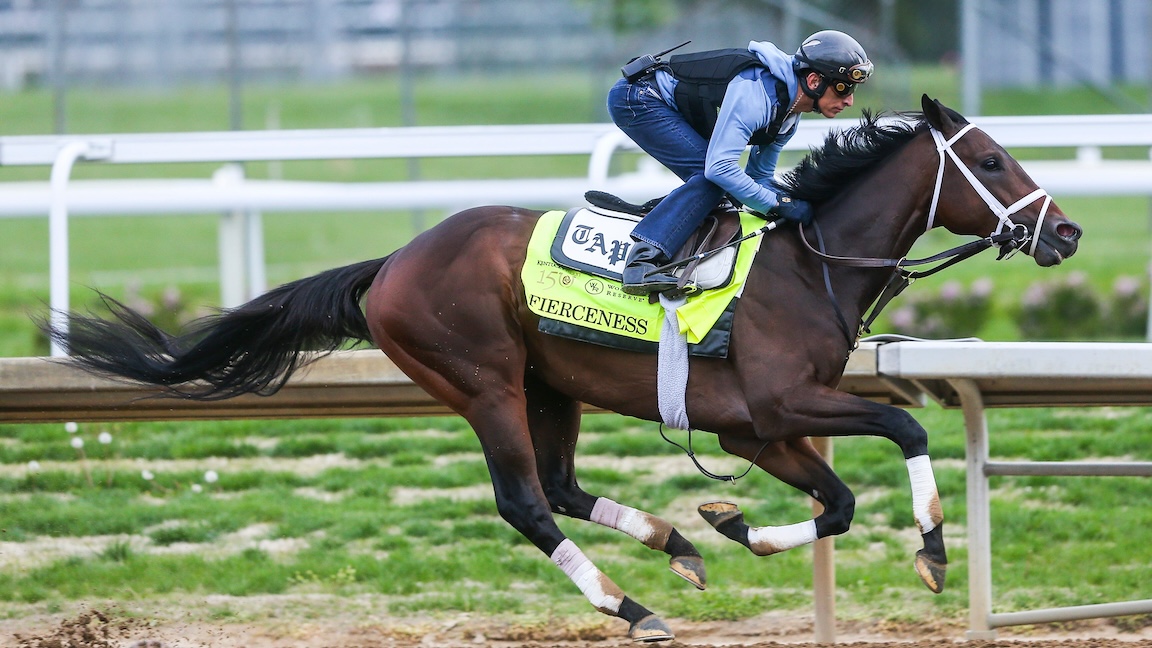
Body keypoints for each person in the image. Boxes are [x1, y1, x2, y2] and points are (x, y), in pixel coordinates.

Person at [606, 30, 874, 295]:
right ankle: (642, 262)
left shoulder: (789, 115)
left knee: (727, 187)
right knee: (712, 180)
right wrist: (778, 204)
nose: (849, 100)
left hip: (665, 104)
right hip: (638, 98)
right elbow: (719, 169)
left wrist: (801, 203)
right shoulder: (756, 95)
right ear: (814, 80)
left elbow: (759, 177)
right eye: (843, 87)